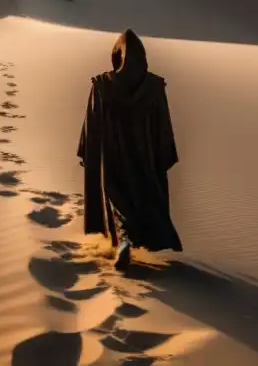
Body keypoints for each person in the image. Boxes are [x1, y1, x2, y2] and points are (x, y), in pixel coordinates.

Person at [77, 29, 182, 269]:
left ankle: (124, 242)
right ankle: (129, 243)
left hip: (112, 159)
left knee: (118, 203)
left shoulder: (103, 85)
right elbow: (162, 126)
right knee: (143, 201)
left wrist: (88, 153)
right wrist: (164, 155)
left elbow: (92, 123)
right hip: (145, 160)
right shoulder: (154, 88)